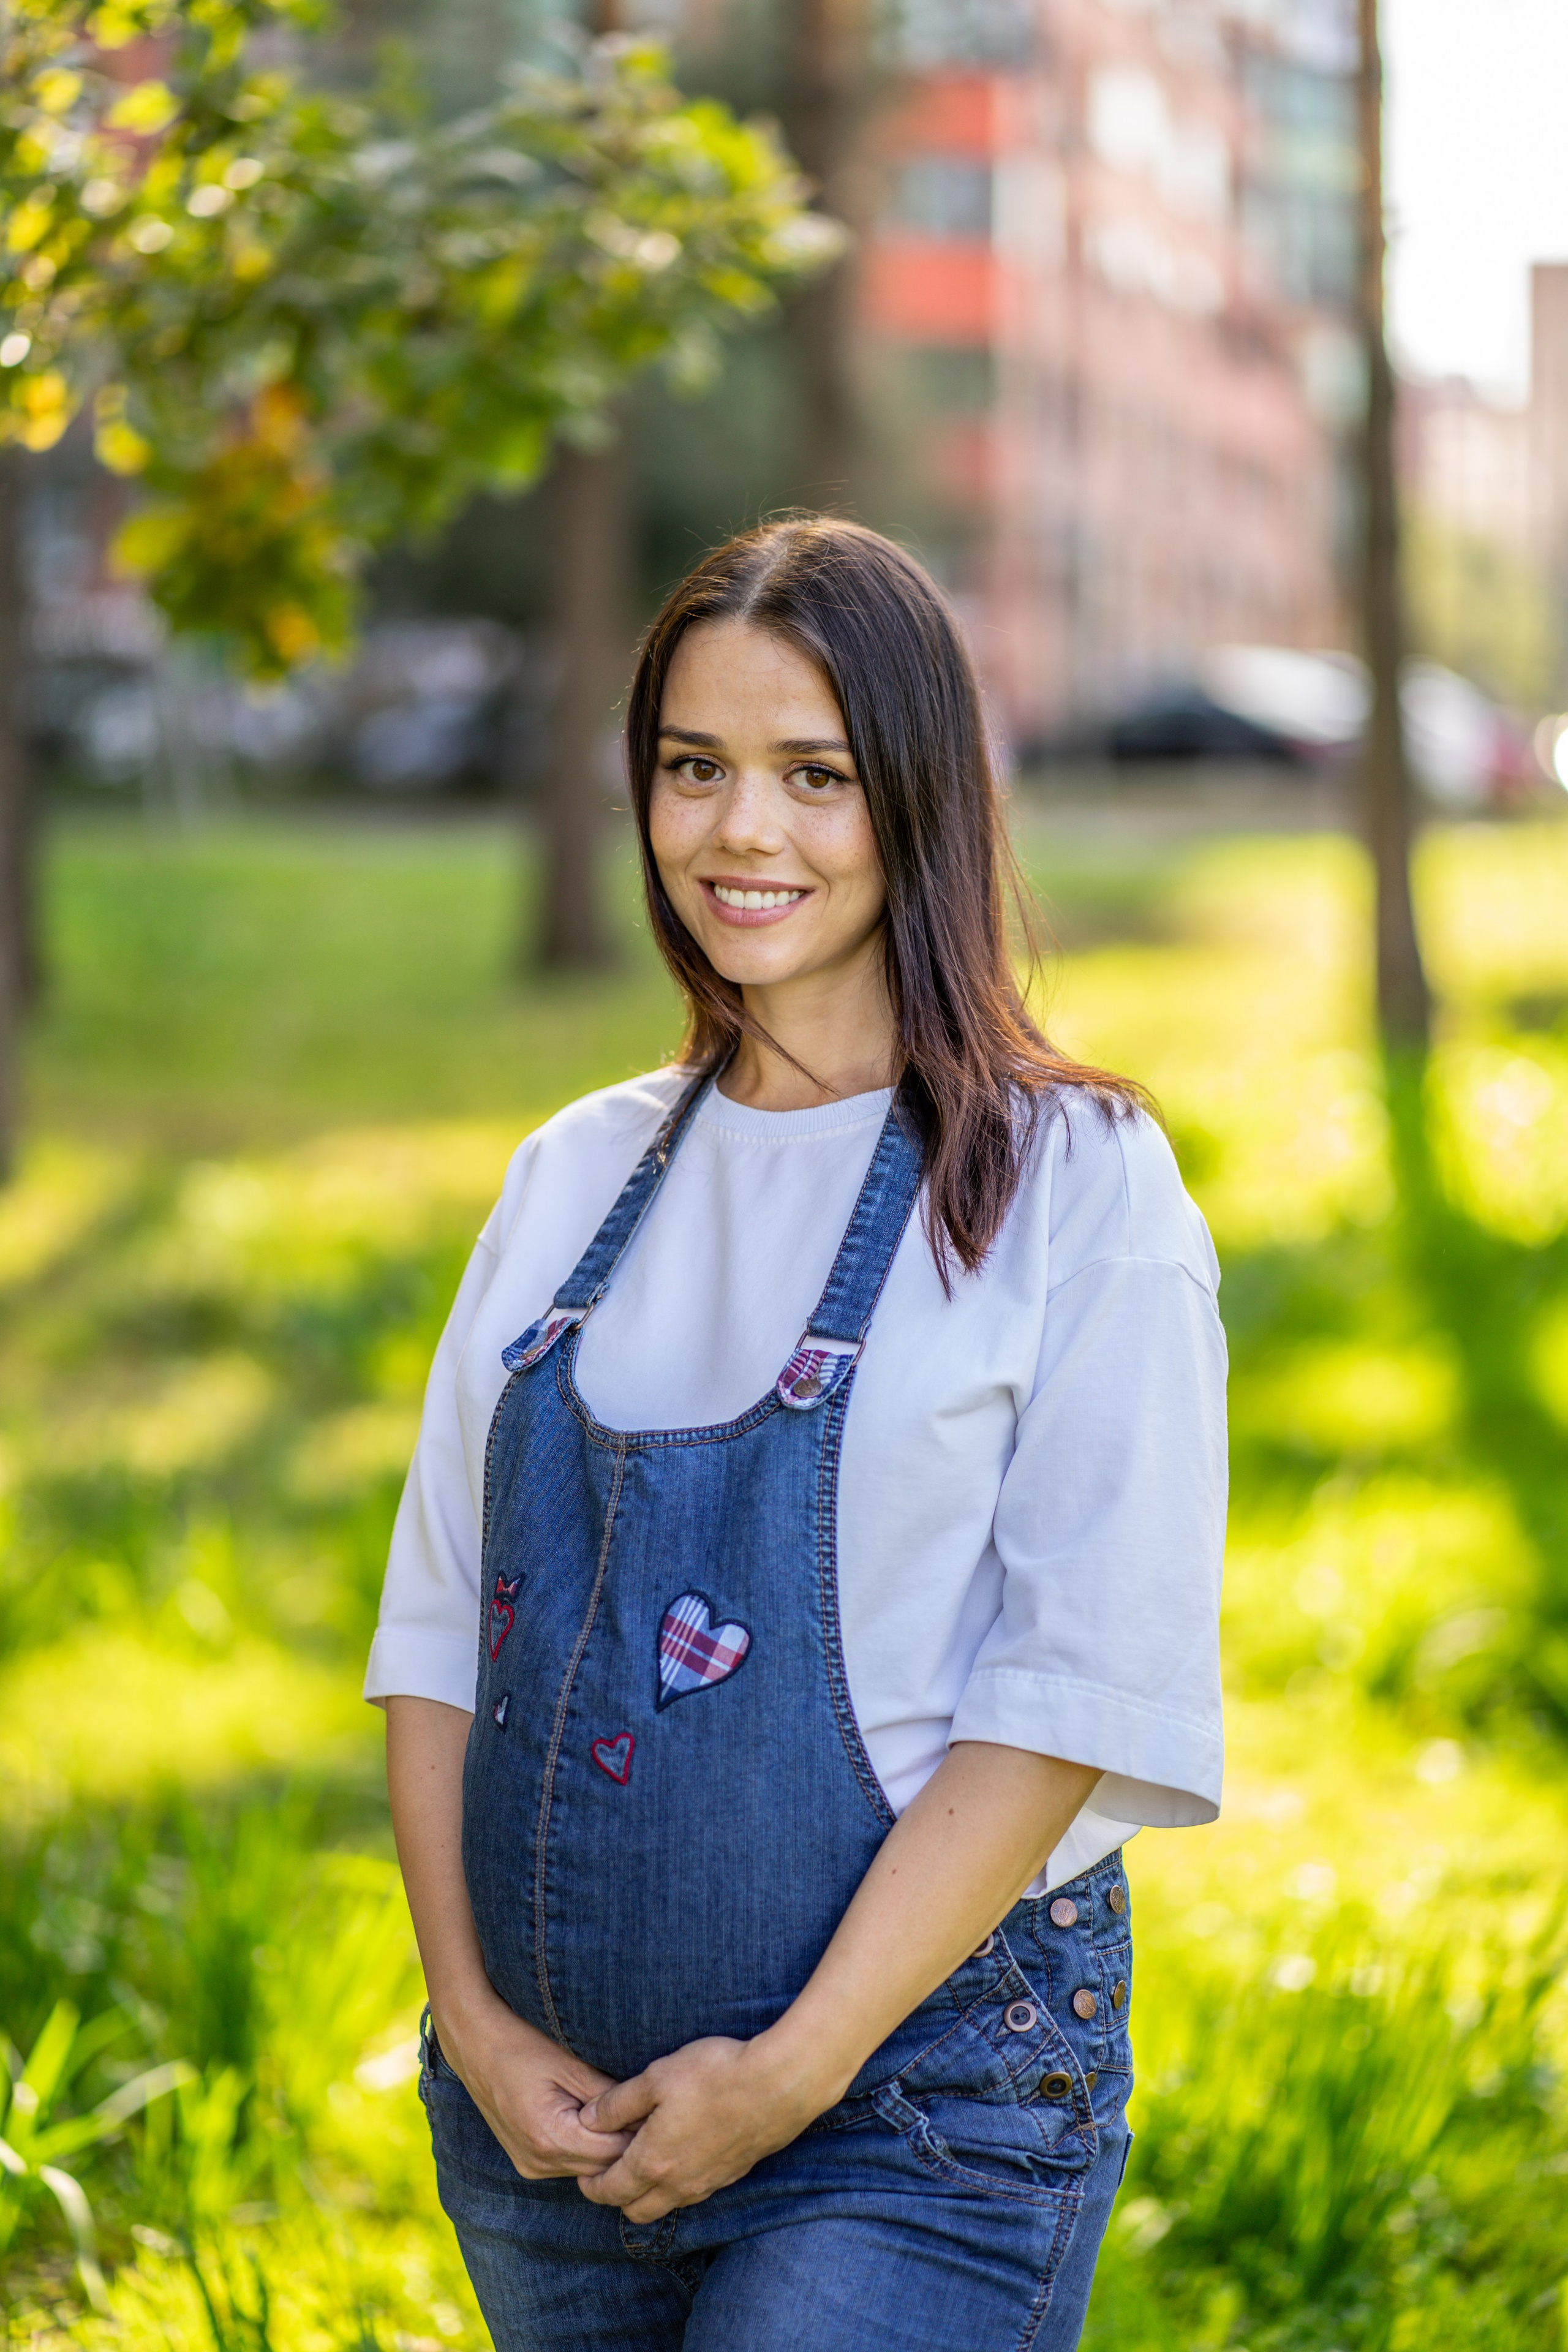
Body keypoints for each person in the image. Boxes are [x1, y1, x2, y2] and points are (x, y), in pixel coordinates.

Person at [367, 518, 1227, 2351]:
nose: (740, 833)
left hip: (918, 2110)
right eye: (694, 769)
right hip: (548, 2133)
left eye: (813, 776)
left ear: (919, 796)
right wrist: (477, 2022)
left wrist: (793, 2069)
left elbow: (1070, 1693)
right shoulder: (572, 1172)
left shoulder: (1076, 1186)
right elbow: (442, 1631)